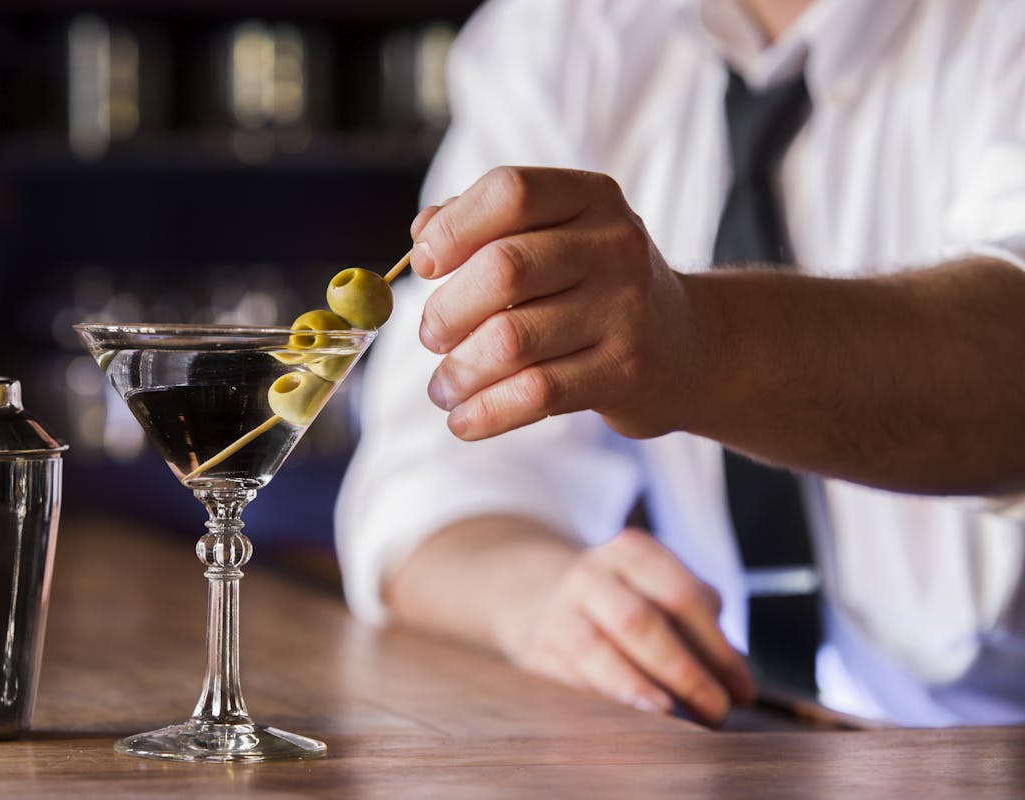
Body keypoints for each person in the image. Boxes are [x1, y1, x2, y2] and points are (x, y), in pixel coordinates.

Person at [335, 0, 1025, 727]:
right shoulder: (560, 30)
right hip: (733, 734)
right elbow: (422, 475)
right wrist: (544, 598)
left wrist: (702, 342)